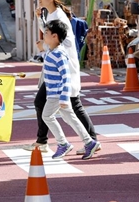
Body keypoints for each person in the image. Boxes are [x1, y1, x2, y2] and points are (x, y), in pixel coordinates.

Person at [24, 0, 100, 156]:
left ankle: (81, 141)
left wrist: (44, 47)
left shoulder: (57, 16)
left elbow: (57, 40)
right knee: (63, 106)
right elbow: (51, 34)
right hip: (57, 68)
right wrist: (40, 20)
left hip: (61, 69)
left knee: (65, 105)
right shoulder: (53, 15)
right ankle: (87, 140)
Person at [40, 20, 101, 160]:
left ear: (55, 36)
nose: (44, 35)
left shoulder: (59, 54)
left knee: (47, 116)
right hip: (55, 93)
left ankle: (63, 143)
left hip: (57, 94)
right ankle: (89, 142)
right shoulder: (51, 50)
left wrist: (63, 96)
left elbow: (66, 77)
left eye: (47, 33)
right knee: (70, 118)